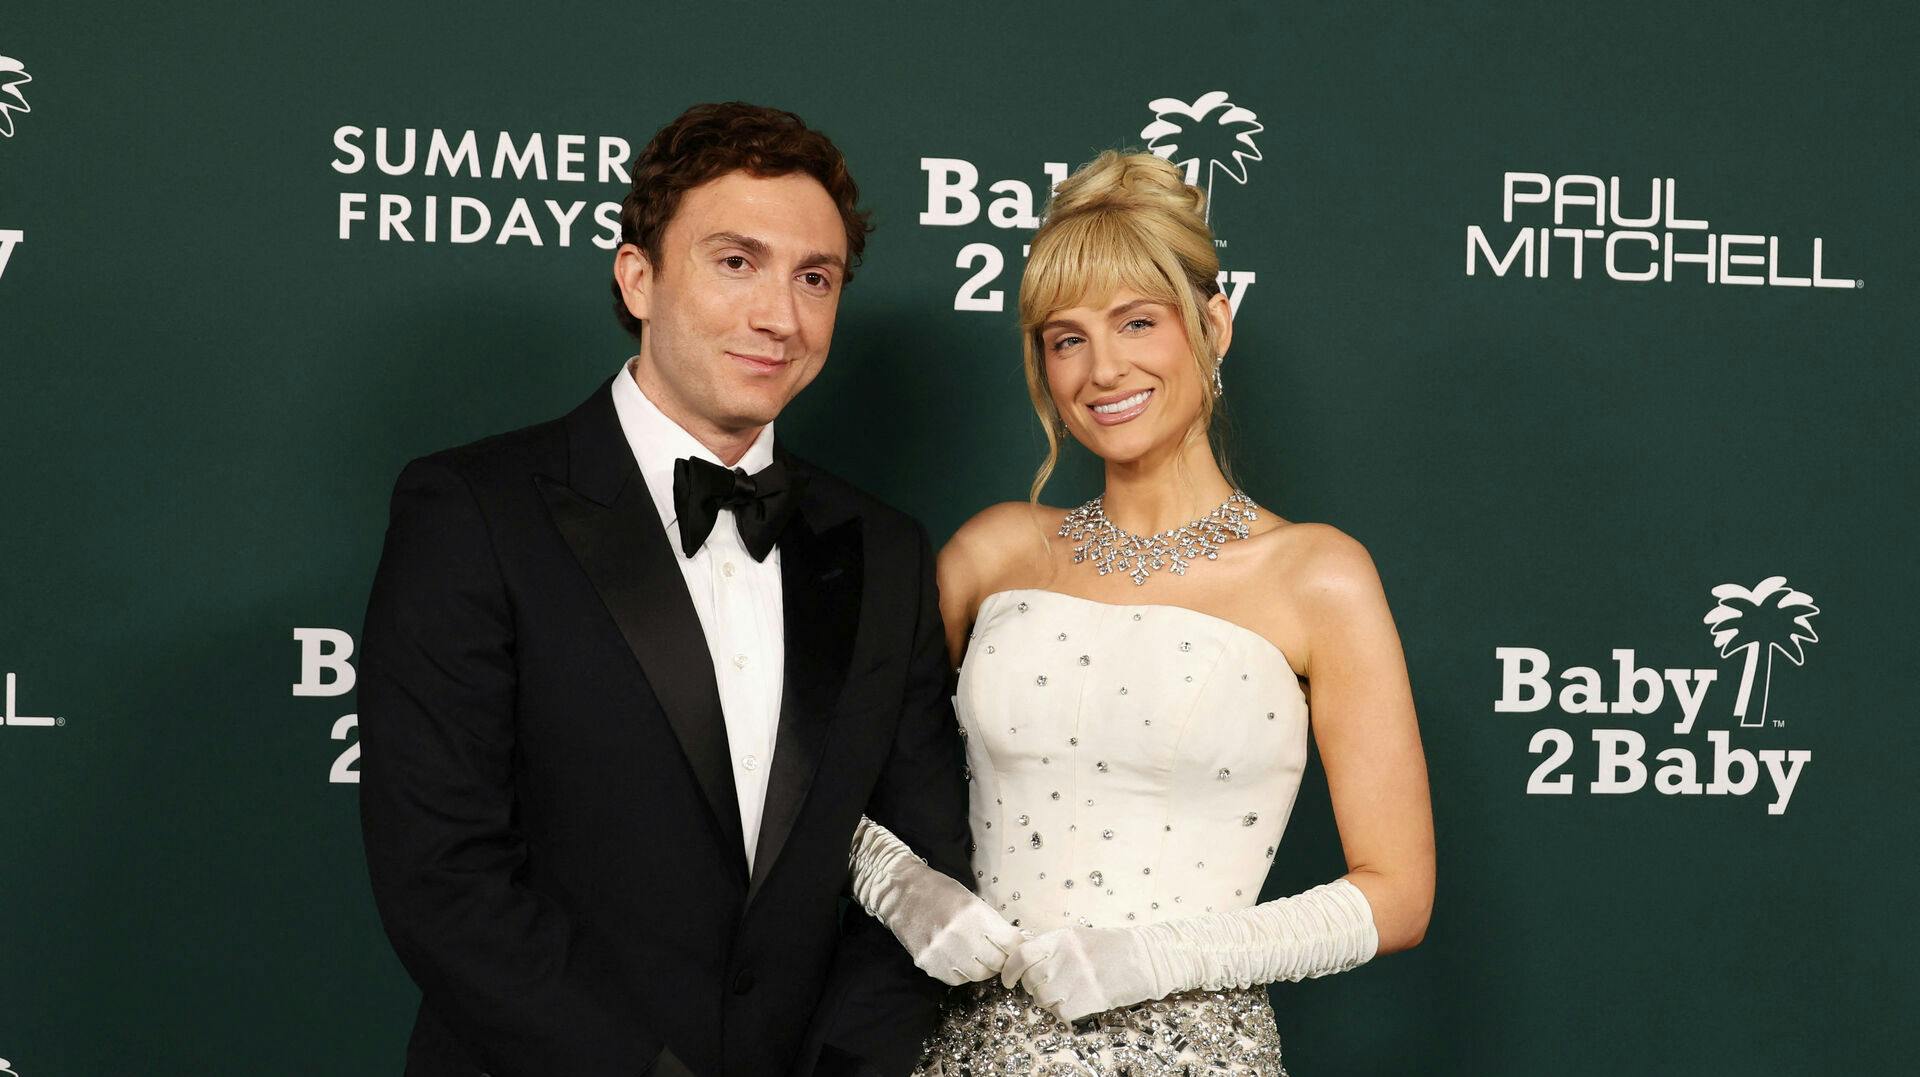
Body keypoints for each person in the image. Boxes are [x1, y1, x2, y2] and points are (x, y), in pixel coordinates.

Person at [357, 101, 1015, 1077]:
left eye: (815, 278)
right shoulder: (474, 512)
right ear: (638, 277)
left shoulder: (882, 550)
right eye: (735, 262)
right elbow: (443, 878)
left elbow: (925, 874)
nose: (780, 317)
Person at [903, 151, 1437, 1073]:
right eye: (1066, 338)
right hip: (968, 1048)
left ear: (1214, 324)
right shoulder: (991, 552)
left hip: (1195, 1053)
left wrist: (1163, 957)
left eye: (1137, 323)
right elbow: (819, 782)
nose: (1102, 368)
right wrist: (902, 886)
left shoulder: (1317, 574)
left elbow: (1397, 893)